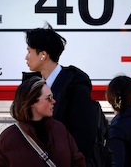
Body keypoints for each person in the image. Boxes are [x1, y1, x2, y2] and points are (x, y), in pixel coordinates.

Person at [22, 23, 99, 166]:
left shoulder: (75, 86)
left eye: (29, 51)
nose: (26, 57)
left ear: (43, 55)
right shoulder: (31, 87)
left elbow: (84, 138)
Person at [0, 76, 86, 167]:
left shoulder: (60, 129)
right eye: (49, 98)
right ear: (32, 102)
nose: (54, 101)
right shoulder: (9, 137)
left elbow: (78, 162)